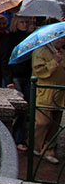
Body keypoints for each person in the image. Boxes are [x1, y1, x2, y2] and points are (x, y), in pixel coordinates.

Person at [2, 16, 35, 150]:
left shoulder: (30, 37)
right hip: (15, 76)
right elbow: (5, 60)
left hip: (27, 76)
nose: (25, 24)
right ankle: (11, 138)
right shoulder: (9, 38)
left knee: (26, 110)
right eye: (22, 22)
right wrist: (8, 79)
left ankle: (19, 138)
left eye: (26, 22)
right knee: (16, 109)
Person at [31, 35, 65, 165]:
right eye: (59, 38)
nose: (61, 41)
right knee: (42, 122)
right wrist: (54, 61)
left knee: (55, 124)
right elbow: (39, 71)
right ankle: (36, 146)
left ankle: (49, 150)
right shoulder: (41, 51)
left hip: (60, 93)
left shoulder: (62, 52)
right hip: (45, 93)